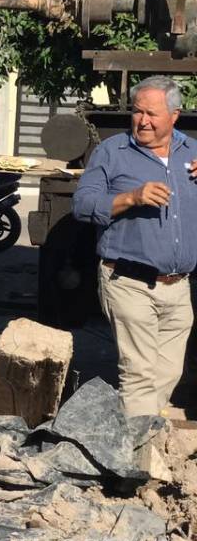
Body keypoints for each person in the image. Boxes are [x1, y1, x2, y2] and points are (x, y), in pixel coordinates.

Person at [73, 75, 197, 418]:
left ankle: (131, 438)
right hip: (127, 281)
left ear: (174, 115)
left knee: (168, 372)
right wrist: (131, 197)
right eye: (137, 112)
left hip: (178, 285)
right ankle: (136, 463)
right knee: (139, 375)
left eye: (152, 114)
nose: (142, 121)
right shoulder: (112, 152)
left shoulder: (193, 153)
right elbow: (82, 206)